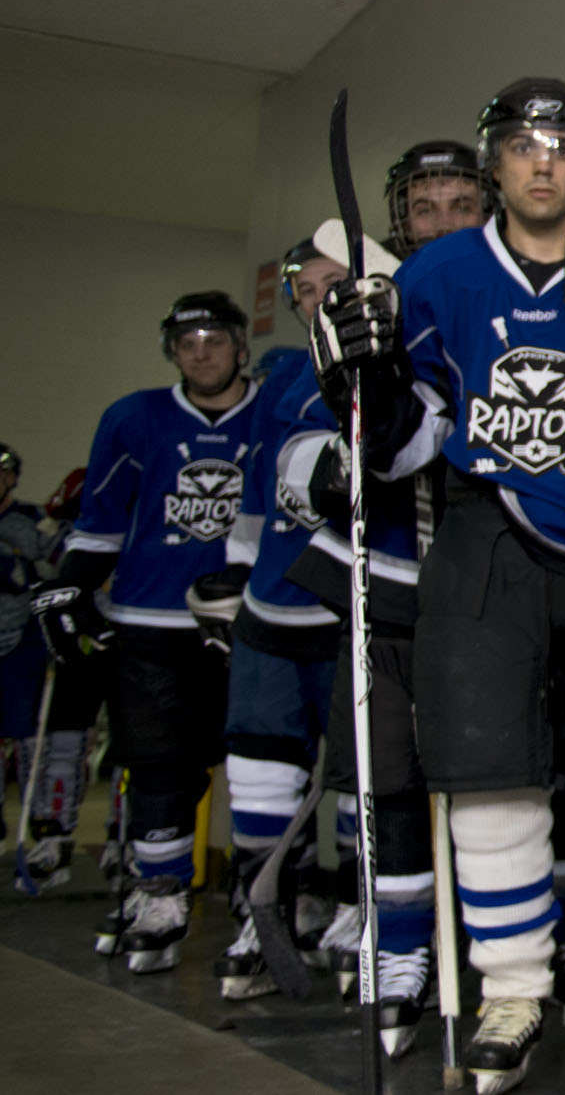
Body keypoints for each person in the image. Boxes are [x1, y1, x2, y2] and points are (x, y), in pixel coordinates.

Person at [313, 79, 565, 1095]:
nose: (542, 160)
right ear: (494, 166)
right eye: (519, 144)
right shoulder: (443, 275)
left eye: (560, 144)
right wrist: (365, 387)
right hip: (484, 537)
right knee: (487, 774)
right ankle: (512, 989)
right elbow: (410, 439)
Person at [281, 138, 494, 1052]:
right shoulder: (358, 311)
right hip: (393, 584)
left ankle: (542, 952)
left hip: (498, 582)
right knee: (389, 782)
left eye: (460, 204)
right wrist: (344, 449)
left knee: (521, 776)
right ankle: (402, 943)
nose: (442, 222)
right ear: (399, 218)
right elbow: (295, 457)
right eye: (425, 207)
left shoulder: (509, 301)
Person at [32, 291, 262, 970]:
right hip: (151, 621)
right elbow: (100, 520)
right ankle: (158, 892)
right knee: (159, 763)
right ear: (172, 351)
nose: (201, 353)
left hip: (250, 619)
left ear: (239, 344)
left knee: (263, 762)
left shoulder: (276, 412)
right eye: (186, 343)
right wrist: (70, 582)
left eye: (214, 339)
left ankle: (264, 894)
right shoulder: (134, 418)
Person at [202, 239, 352, 1001]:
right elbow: (259, 487)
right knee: (259, 774)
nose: (320, 298)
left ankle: (366, 918)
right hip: (273, 607)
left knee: (367, 778)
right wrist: (233, 574)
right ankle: (266, 919)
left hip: (357, 606)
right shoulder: (280, 379)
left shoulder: (390, 361)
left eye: (337, 283)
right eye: (307, 289)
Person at [3, 441, 90, 889]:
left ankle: (54, 840)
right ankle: (36, 838)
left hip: (31, 645)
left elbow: (60, 563)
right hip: (29, 640)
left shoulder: (31, 520)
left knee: (48, 746)